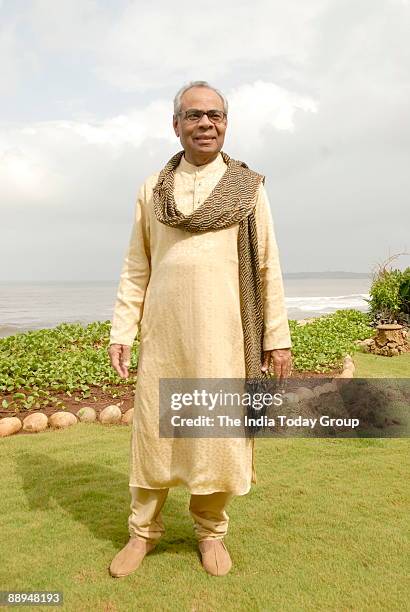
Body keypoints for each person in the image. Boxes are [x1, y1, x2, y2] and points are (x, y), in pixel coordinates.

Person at [107, 80, 292, 578]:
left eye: (215, 115)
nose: (205, 123)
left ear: (226, 123)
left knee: (214, 437)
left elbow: (267, 265)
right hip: (165, 337)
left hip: (224, 337)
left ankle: (211, 533)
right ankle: (141, 533)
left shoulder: (248, 188)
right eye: (194, 115)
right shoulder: (152, 189)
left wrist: (277, 336)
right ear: (177, 125)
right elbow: (136, 265)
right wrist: (123, 329)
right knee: (154, 436)